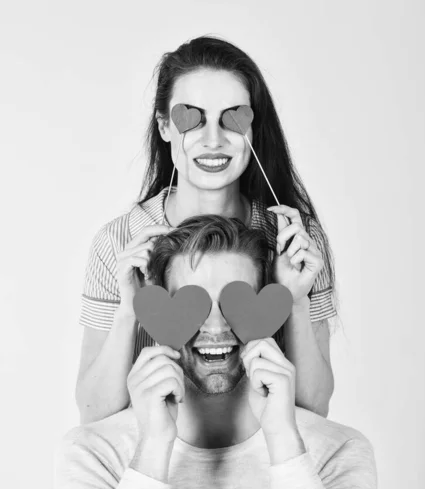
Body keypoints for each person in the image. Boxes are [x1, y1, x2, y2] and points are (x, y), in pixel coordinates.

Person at [57, 215, 376, 489]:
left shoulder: (338, 451)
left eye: (233, 301)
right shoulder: (93, 454)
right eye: (193, 302)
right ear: (160, 311)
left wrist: (282, 439)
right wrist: (154, 446)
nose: (215, 325)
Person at [76, 35, 337, 425]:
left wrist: (294, 301)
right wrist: (129, 311)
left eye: (233, 119)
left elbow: (314, 411)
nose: (213, 140)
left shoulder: (294, 241)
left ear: (253, 128)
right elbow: (94, 414)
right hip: (157, 468)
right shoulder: (118, 242)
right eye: (190, 118)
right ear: (164, 126)